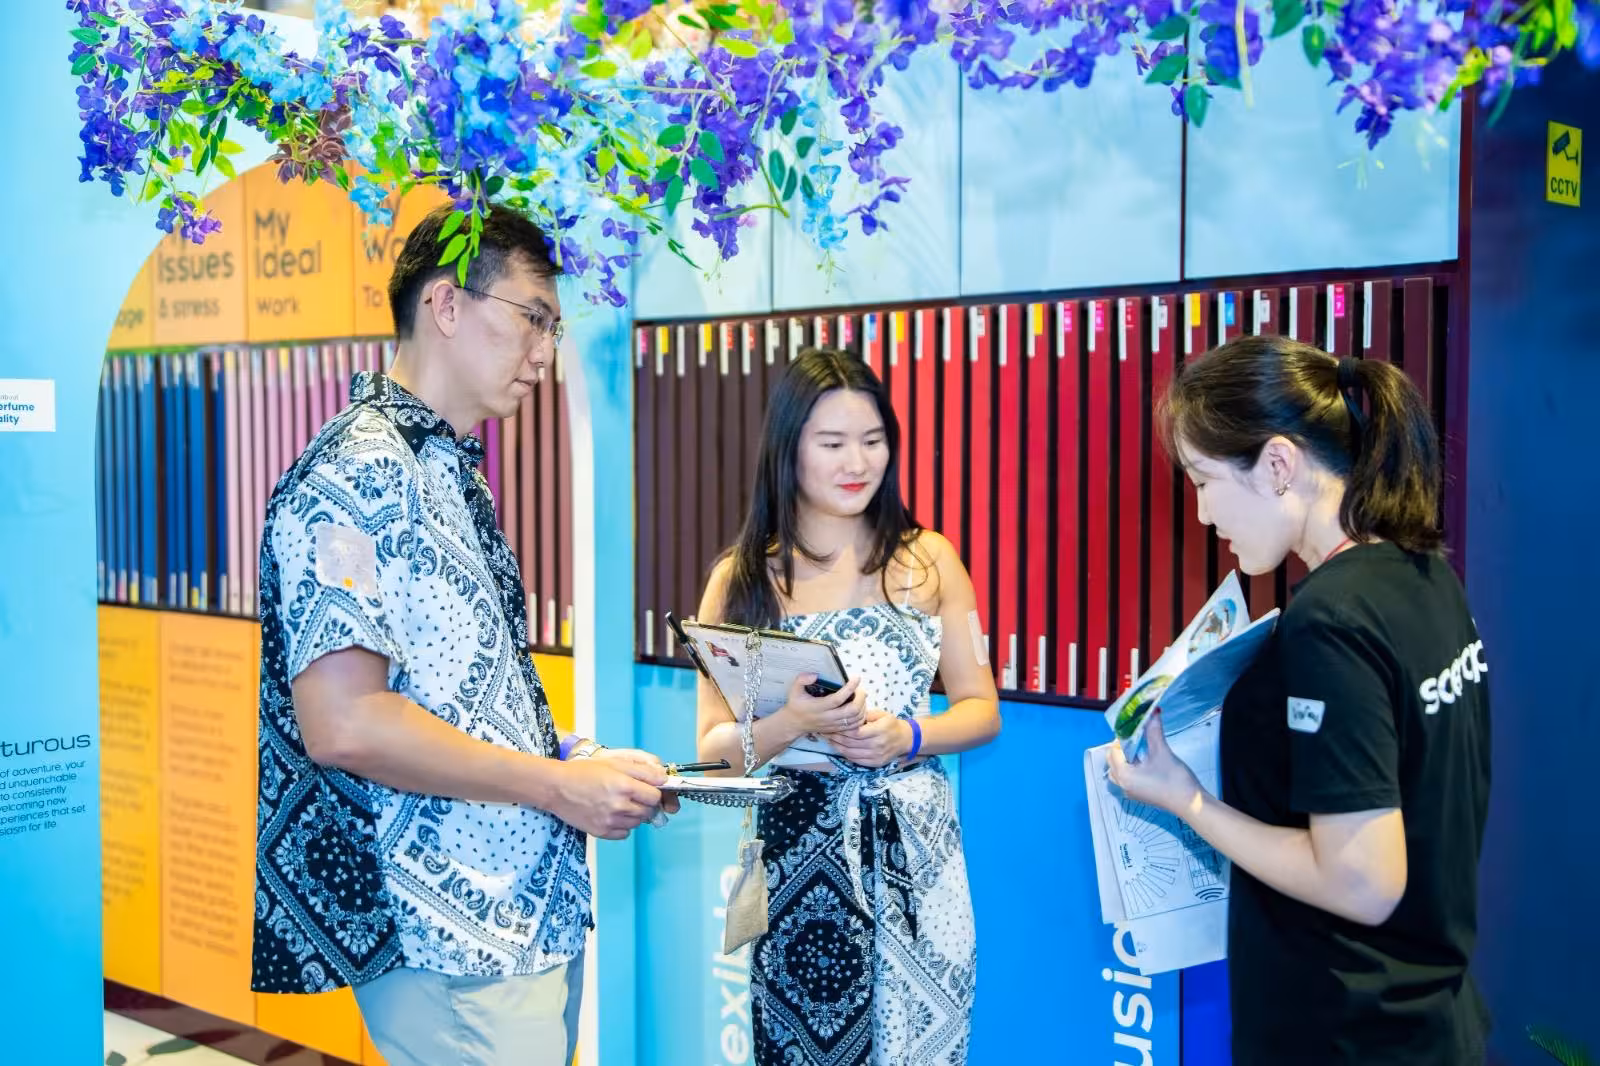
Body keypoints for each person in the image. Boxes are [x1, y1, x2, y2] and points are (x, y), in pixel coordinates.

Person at [251, 204, 675, 1066]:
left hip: (517, 911)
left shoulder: (440, 465)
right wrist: (555, 788)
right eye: (532, 319)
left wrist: (575, 762)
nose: (544, 354)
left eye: (552, 328)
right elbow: (348, 723)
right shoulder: (357, 473)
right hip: (449, 928)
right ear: (447, 306)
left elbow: (454, 696)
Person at [1109, 335, 1491, 1065]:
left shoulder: (1331, 618)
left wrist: (1188, 802)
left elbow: (1363, 881)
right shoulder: (1421, 575)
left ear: (1278, 464)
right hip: (1427, 1019)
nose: (1200, 515)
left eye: (1202, 480)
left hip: (1347, 1033)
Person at [694, 348, 1002, 1066]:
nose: (856, 461)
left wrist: (908, 734)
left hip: (920, 861)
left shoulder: (930, 561)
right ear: (788, 448)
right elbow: (712, 745)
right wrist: (793, 724)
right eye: (831, 443)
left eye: (872, 440)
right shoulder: (741, 582)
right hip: (800, 856)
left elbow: (981, 708)